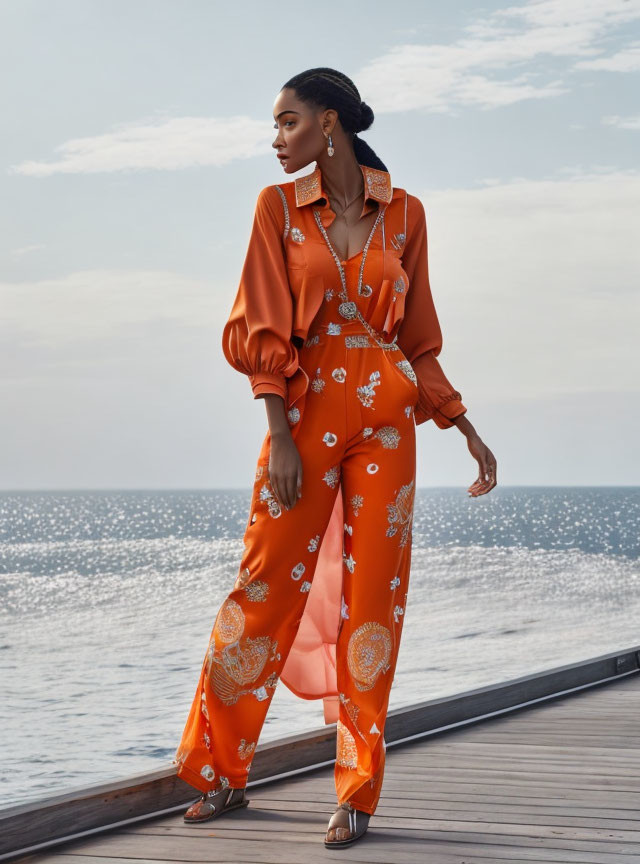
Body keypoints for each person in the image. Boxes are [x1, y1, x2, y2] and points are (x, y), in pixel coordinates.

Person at [173, 67, 497, 849]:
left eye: (287, 123)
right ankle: (220, 772)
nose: (277, 139)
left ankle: (357, 791)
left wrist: (463, 425)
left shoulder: (407, 213)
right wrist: (279, 433)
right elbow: (261, 327)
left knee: (375, 605)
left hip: (389, 421)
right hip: (305, 414)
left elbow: (417, 334)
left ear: (329, 124)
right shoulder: (276, 209)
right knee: (263, 588)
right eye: (276, 127)